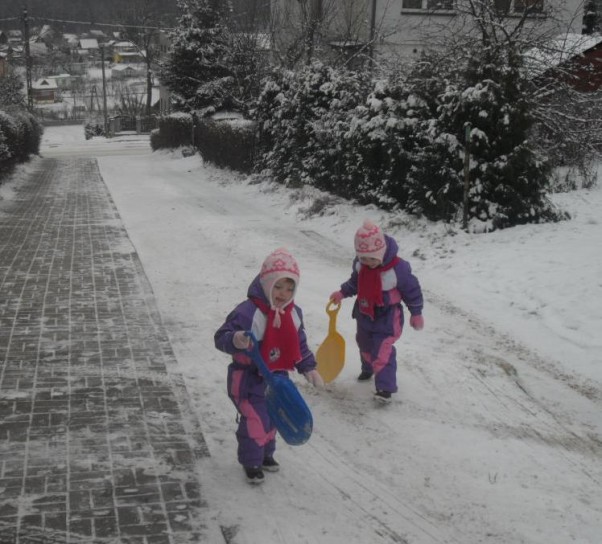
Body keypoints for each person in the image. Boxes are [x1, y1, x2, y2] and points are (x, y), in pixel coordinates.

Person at [214, 247, 324, 485]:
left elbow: (299, 345)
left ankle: (266, 455)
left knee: (273, 417)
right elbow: (221, 337)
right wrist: (236, 340)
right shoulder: (248, 312)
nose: (283, 294)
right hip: (247, 380)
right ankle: (251, 462)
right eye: (278, 286)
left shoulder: (293, 314)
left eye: (289, 288)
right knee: (256, 420)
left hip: (277, 379)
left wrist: (309, 368)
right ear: (266, 283)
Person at [330, 220, 424, 404]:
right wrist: (342, 292)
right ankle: (369, 368)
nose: (368, 262)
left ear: (381, 253)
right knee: (364, 343)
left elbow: (412, 290)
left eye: (372, 258)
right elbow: (354, 283)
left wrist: (416, 312)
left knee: (382, 350)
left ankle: (385, 388)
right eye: (363, 258)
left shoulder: (398, 269)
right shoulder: (360, 265)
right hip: (365, 312)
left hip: (388, 317)